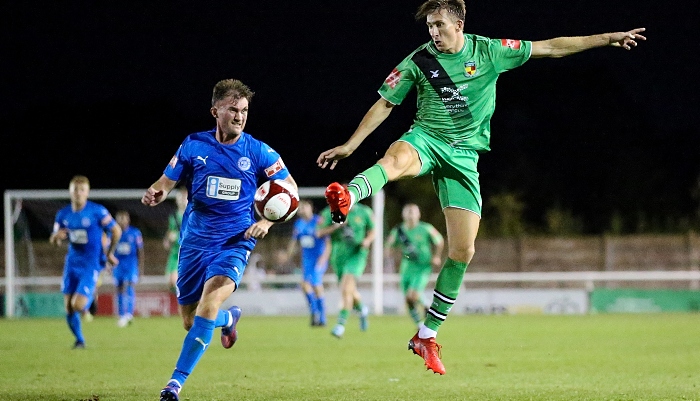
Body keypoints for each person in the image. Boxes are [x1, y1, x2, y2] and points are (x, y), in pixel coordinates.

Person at [316, 0, 645, 374]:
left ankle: (426, 335)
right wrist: (350, 145)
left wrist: (607, 38)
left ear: (459, 24)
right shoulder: (418, 61)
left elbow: (550, 47)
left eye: (439, 25)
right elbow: (384, 104)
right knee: (394, 162)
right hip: (426, 139)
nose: (433, 33)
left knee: (463, 250)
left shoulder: (489, 50)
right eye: (429, 27)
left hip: (464, 158)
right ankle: (348, 195)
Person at [141, 78, 297, 401]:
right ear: (215, 111)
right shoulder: (194, 145)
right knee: (190, 320)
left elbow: (291, 192)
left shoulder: (258, 151)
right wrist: (158, 192)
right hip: (195, 242)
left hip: (235, 242)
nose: (240, 116)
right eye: (233, 110)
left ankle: (174, 384)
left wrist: (268, 221)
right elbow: (166, 180)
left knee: (208, 303)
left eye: (244, 111)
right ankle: (229, 319)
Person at [49, 175, 122, 348]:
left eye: (82, 190)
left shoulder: (97, 211)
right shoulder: (63, 215)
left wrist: (109, 253)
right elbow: (54, 240)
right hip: (72, 263)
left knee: (78, 304)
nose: (78, 193)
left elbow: (116, 230)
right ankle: (80, 340)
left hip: (92, 263)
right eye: (75, 189)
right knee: (68, 307)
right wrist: (56, 238)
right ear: (70, 191)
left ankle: (91, 299)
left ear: (87, 192)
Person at [316, 192, 374, 338]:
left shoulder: (364, 212)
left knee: (346, 289)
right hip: (339, 256)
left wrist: (367, 240)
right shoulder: (329, 212)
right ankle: (362, 309)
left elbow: (373, 230)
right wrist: (335, 227)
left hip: (357, 254)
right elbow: (319, 233)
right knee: (349, 290)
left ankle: (340, 325)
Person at [385, 203, 444, 329]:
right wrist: (390, 251)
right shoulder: (399, 231)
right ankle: (419, 324)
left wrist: (436, 256)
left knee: (413, 294)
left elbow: (439, 241)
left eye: (413, 212)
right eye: (408, 212)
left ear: (418, 214)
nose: (410, 215)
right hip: (406, 267)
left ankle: (427, 304)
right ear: (403, 215)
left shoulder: (426, 228)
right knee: (408, 299)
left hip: (422, 267)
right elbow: (390, 247)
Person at [286, 199, 331, 327]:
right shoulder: (299, 224)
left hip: (319, 259)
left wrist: (324, 258)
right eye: (299, 208)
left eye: (304, 207)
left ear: (310, 208)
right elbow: (295, 242)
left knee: (316, 285)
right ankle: (314, 312)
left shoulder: (318, 221)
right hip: (307, 261)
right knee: (305, 286)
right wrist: (288, 253)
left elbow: (328, 243)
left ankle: (322, 316)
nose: (301, 210)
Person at [112, 210, 145, 327]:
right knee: (119, 288)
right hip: (118, 265)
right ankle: (121, 314)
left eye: (124, 218)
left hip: (131, 265)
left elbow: (140, 251)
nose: (122, 221)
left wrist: (141, 269)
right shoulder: (113, 233)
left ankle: (129, 314)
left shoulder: (135, 233)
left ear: (128, 220)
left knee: (130, 286)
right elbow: (108, 250)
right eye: (120, 219)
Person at [163, 188, 189, 295]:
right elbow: (170, 232)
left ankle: (189, 303)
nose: (182, 200)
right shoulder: (173, 216)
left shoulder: (192, 215)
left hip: (188, 254)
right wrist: (167, 240)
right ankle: (185, 302)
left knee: (177, 282)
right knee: (170, 283)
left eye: (185, 197)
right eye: (180, 197)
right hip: (175, 254)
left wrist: (177, 236)